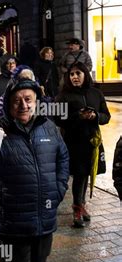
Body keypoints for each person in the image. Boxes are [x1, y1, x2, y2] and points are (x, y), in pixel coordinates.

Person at [0, 78, 70, 262]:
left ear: (36, 102)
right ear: (8, 105)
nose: (23, 105)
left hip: (44, 216)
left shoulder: (48, 127)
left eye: (28, 99)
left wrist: (58, 190)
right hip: (12, 219)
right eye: (16, 101)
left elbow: (63, 157)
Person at [55, 62, 111, 228]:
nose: (74, 77)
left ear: (85, 74)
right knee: (79, 175)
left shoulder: (96, 93)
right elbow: (58, 119)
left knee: (86, 174)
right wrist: (77, 116)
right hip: (74, 143)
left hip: (92, 142)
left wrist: (95, 116)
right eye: (72, 74)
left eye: (78, 73)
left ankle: (82, 204)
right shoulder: (63, 96)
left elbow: (106, 116)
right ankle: (77, 208)